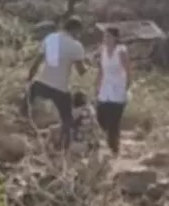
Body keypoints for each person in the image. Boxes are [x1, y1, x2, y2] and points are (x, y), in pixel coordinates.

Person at [27, 17, 87, 149]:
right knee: (67, 119)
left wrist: (29, 78)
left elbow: (37, 61)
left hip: (41, 83)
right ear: (75, 30)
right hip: (60, 88)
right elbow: (81, 71)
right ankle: (64, 147)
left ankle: (25, 128)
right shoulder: (76, 46)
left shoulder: (51, 39)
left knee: (26, 106)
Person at [94, 26, 131, 156]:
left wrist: (127, 85)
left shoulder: (121, 51)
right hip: (105, 87)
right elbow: (101, 70)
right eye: (105, 36)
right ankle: (106, 144)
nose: (106, 39)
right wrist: (97, 86)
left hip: (118, 87)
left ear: (115, 38)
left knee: (113, 120)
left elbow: (127, 69)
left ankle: (114, 148)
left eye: (109, 36)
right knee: (101, 117)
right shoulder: (102, 51)